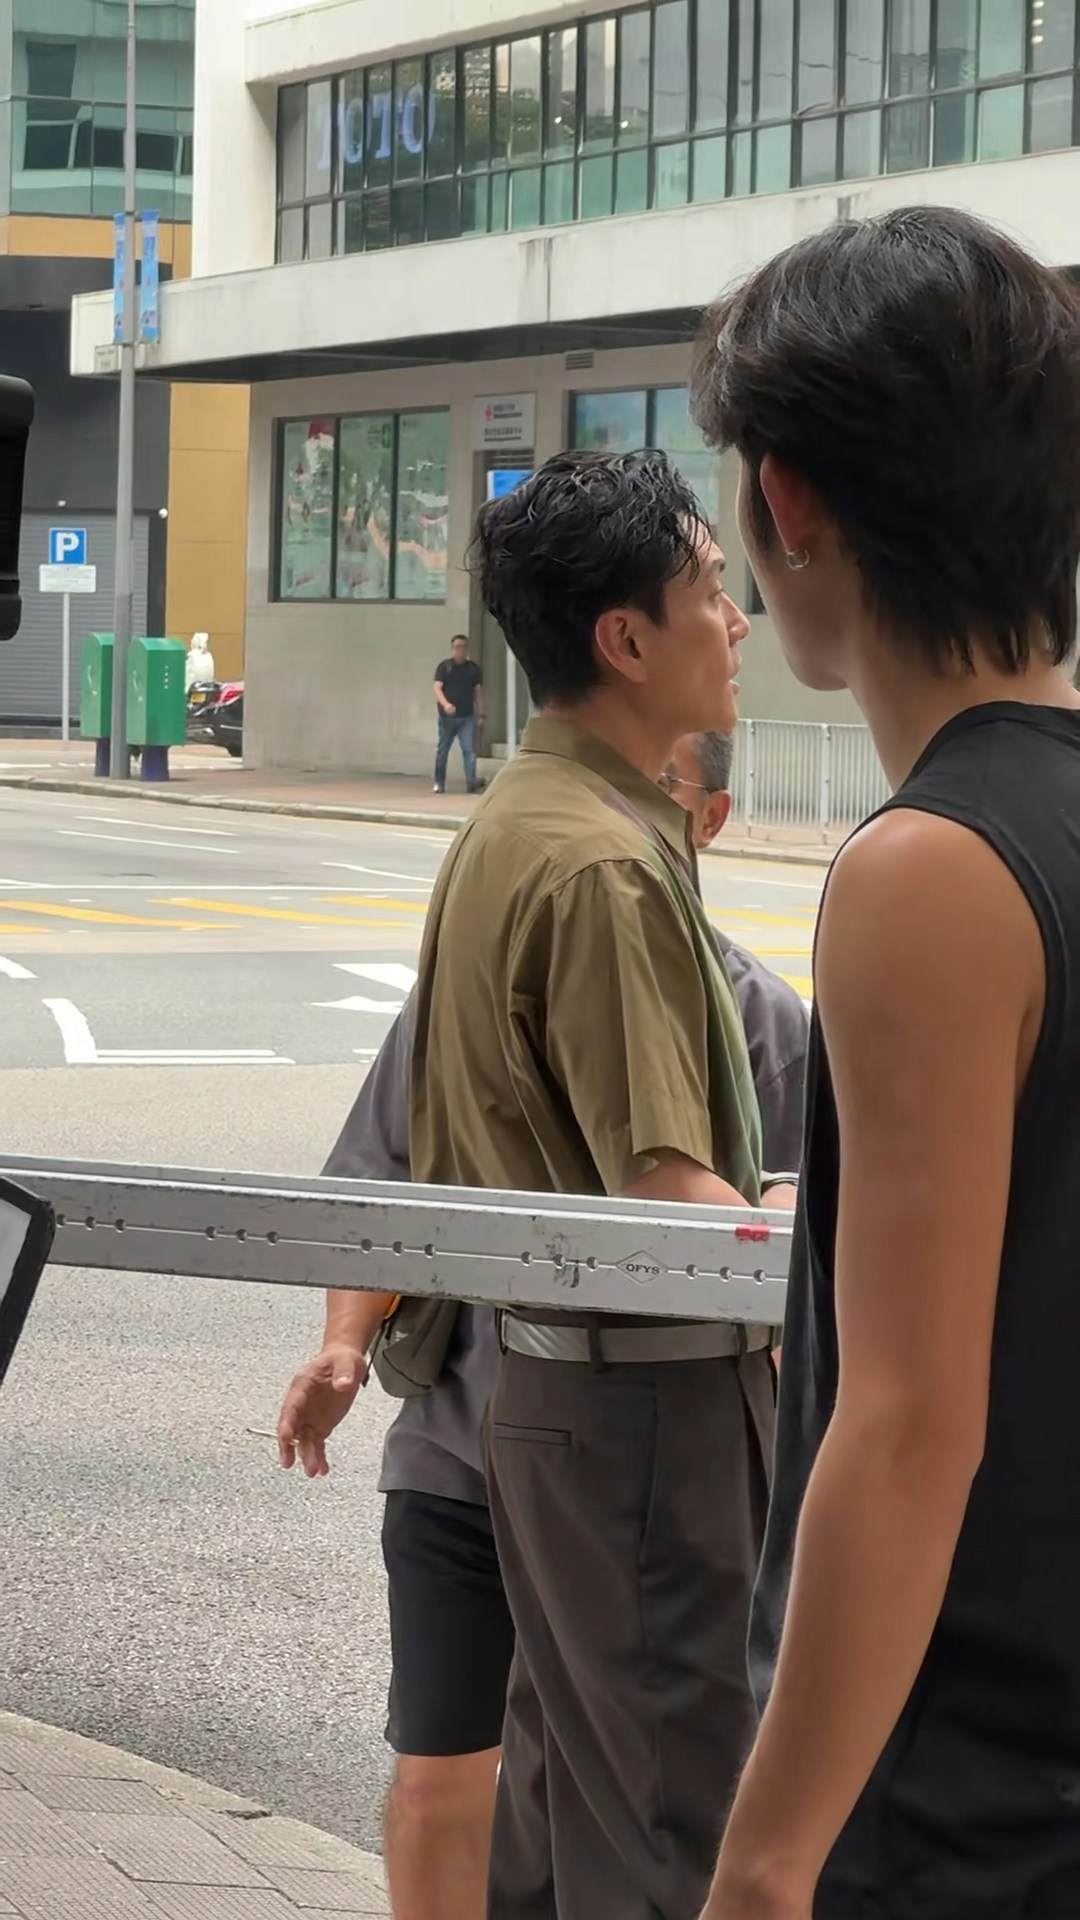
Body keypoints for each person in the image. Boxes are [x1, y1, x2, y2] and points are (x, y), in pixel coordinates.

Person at [687, 207, 1080, 1920]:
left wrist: (768, 1863)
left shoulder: (928, 870)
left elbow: (911, 1424)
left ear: (790, 503)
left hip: (956, 1804)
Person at [277, 724, 809, 1920]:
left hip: (646, 1464)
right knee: (440, 1781)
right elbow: (380, 1182)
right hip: (463, 1447)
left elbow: (796, 1242)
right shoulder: (465, 994)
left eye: (652, 792)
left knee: (610, 1790)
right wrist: (345, 1346)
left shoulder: (759, 1020)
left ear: (708, 819)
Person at [411, 448, 797, 1920]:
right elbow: (664, 1196)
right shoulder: (601, 864)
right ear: (626, 639)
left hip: (563, 1396)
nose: (739, 620)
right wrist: (823, 1241)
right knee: (674, 1831)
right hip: (649, 1414)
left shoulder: (526, 816)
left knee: (566, 1823)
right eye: (710, 590)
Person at [433, 634, 486, 794]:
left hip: (467, 716)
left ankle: (471, 782)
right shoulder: (445, 667)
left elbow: (477, 693)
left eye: (463, 647)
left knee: (469, 750)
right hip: (447, 717)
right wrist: (446, 704)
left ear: (467, 649)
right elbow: (437, 688)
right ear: (452, 649)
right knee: (443, 749)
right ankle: (439, 782)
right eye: (457, 647)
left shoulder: (473, 669)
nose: (460, 650)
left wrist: (481, 713)